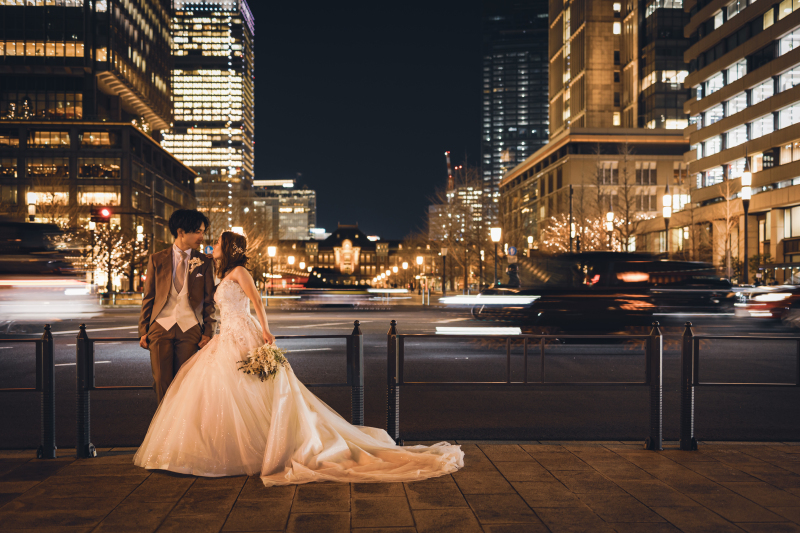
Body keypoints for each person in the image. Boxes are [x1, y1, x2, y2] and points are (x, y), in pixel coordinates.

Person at [134, 231, 463, 485]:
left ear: (229, 247)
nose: (213, 246)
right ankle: (225, 449)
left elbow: (257, 303)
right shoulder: (223, 272)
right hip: (226, 336)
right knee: (226, 391)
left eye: (218, 243)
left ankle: (255, 447)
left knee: (250, 390)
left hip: (243, 334)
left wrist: (266, 331)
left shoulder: (240, 273)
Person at [138, 210, 215, 403]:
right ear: (181, 232)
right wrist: (143, 330)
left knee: (185, 382)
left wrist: (208, 332)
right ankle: (164, 430)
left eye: (203, 232)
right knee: (161, 381)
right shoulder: (157, 259)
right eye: (198, 231)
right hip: (160, 327)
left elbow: (209, 301)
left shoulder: (205, 262)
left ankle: (182, 430)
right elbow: (149, 297)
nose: (202, 237)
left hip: (190, 329)